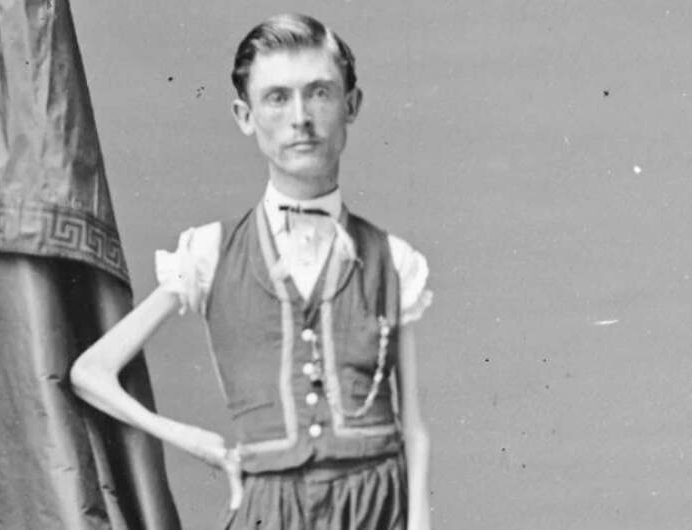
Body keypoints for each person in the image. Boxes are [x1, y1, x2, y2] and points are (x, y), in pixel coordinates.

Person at [71, 13, 433, 529]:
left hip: (377, 508)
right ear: (245, 115)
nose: (300, 117)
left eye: (320, 93)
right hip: (269, 511)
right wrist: (193, 440)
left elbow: (414, 429)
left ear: (351, 105)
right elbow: (90, 373)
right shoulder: (210, 253)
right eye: (277, 97)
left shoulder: (394, 260)